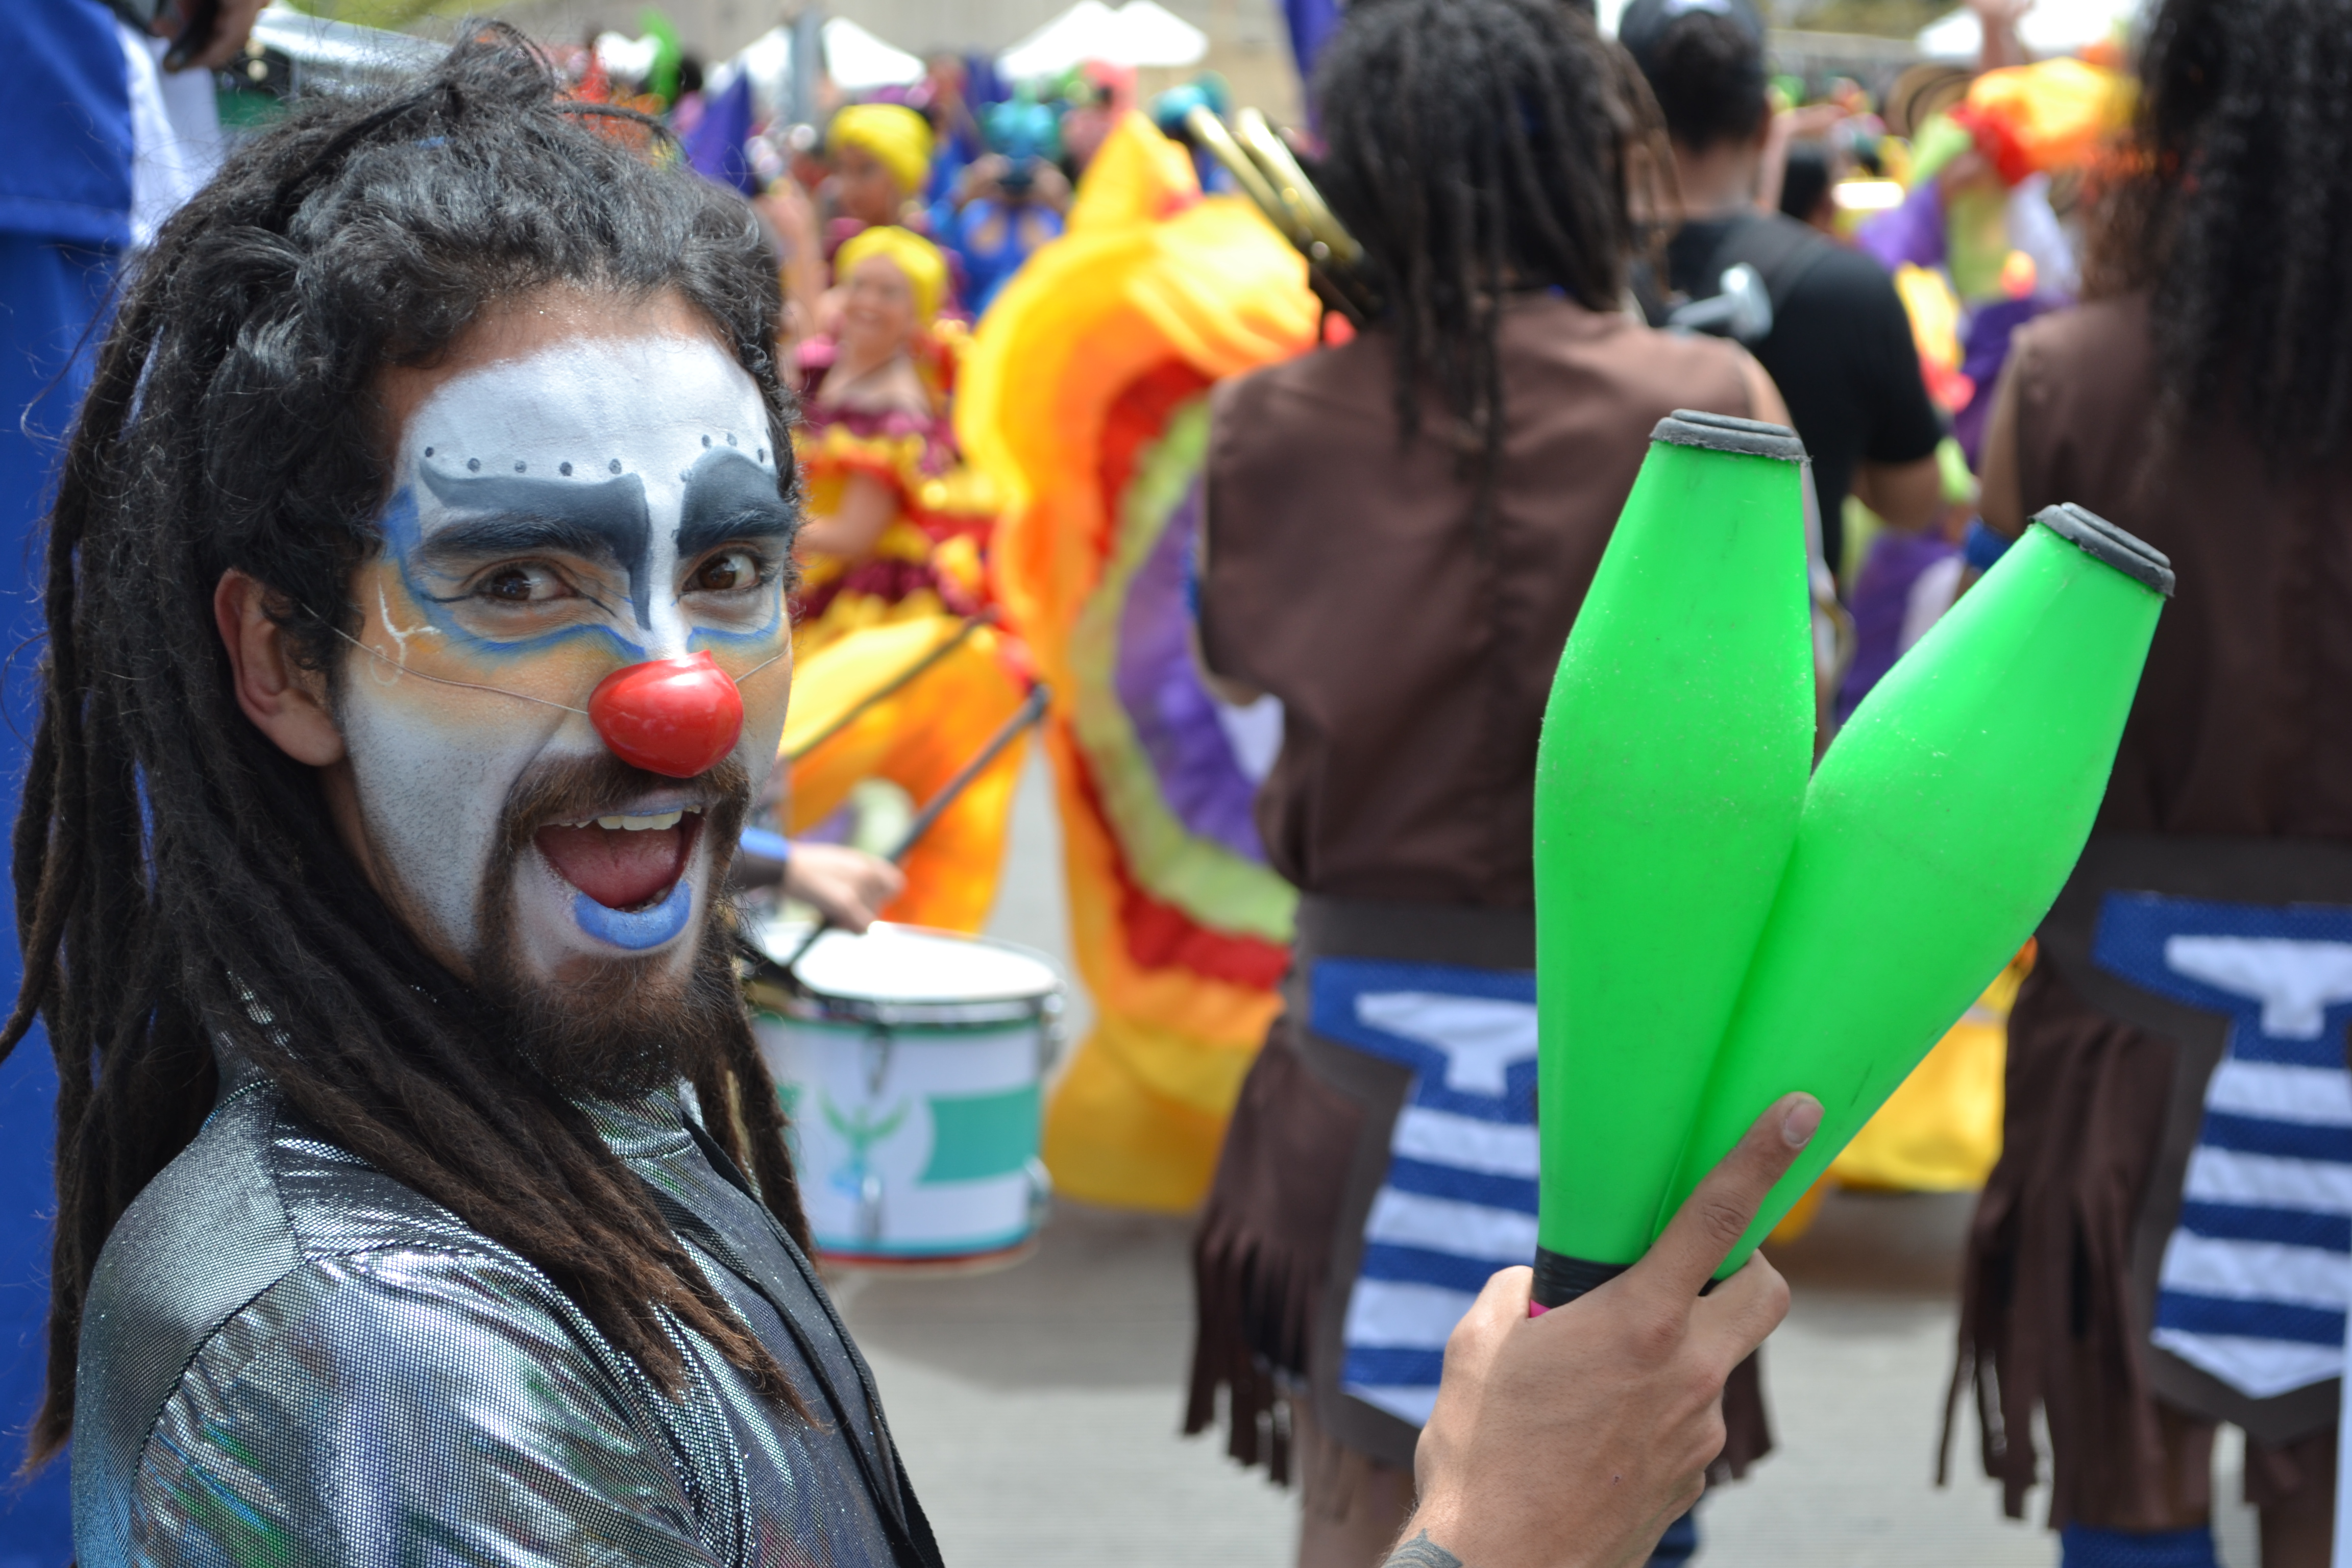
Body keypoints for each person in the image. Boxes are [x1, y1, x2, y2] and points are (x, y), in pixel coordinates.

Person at [9, 33, 1819, 1567]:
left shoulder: (543, 1133)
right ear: (280, 662)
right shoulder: (378, 1367)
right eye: (518, 582)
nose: (676, 696)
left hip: (1363, 1062)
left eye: (728, 570)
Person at [1185, 2, 1793, 1564]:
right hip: (1638, 1072)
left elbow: (1241, 680)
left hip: (1363, 1057)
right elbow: (1801, 712)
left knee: (1369, 1521)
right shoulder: (1712, 394)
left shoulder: (1265, 420)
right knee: (1622, 1506)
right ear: (1595, 168)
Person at [1950, 3, 2352, 1566]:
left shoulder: (2068, 375)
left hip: (2129, 1020)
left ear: (2183, 99)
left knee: (2135, 1468)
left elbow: (1980, 741)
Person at [1622, 0, 1944, 574]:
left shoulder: (1566, 284)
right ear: (1768, 123)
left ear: (1623, 116)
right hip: (1779, 652)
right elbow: (1914, 503)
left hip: (1593, 656)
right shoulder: (1852, 290)